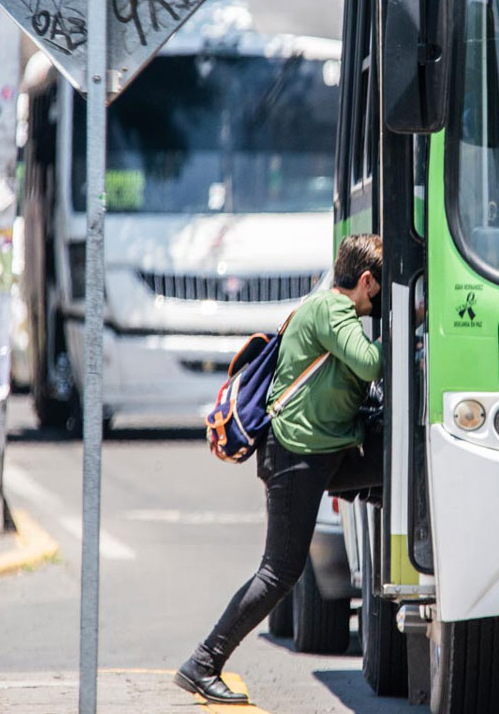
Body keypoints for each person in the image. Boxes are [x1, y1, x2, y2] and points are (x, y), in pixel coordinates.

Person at [174, 234, 384, 705]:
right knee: (279, 572)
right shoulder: (332, 310)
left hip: (324, 451)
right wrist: (408, 324)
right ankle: (203, 663)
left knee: (391, 471)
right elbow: (371, 365)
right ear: (367, 281)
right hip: (296, 457)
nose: (380, 298)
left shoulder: (328, 309)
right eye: (381, 287)